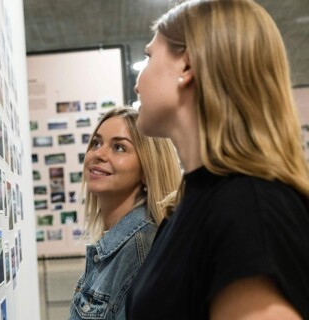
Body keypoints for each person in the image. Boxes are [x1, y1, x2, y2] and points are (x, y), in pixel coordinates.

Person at [125, 0, 309, 319]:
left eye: (148, 57)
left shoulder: (249, 210)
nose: (137, 82)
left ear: (187, 67)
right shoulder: (190, 204)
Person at [68, 107, 181, 319]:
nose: (99, 154)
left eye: (119, 147)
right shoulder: (116, 245)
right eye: (96, 143)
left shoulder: (142, 248)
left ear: (148, 169)